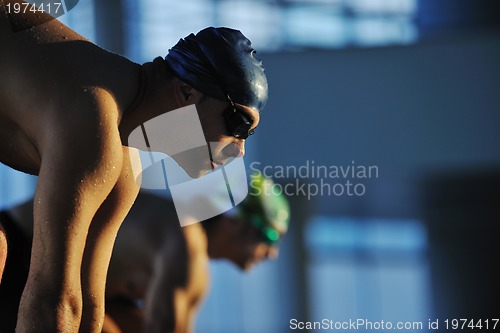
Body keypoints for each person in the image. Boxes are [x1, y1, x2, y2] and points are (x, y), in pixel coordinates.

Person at [0, 0, 268, 331]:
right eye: (238, 124)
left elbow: (86, 307)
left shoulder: (124, 167)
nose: (239, 150)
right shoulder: (95, 114)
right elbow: (52, 297)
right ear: (187, 92)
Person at [0, 173, 290, 333]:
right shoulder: (189, 247)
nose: (272, 253)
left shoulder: (172, 229)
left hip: (24, 253)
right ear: (234, 224)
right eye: (269, 236)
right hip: (17, 250)